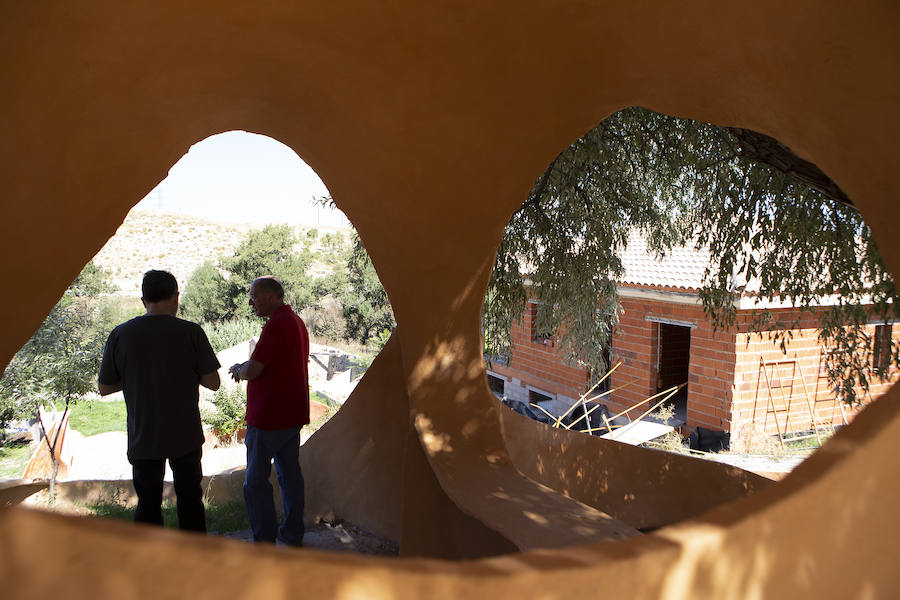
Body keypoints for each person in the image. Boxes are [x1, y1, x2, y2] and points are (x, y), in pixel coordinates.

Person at [98, 270, 220, 532]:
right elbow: (214, 383)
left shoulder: (121, 334)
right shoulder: (191, 332)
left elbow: (104, 387)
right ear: (176, 298)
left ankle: (151, 555)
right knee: (190, 500)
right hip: (185, 434)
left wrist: (135, 377)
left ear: (144, 301)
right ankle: (195, 554)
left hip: (143, 435)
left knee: (148, 504)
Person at [229, 276, 309, 546]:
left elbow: (254, 370)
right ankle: (293, 533)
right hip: (291, 414)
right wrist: (247, 366)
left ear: (272, 296)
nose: (251, 301)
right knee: (289, 476)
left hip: (269, 417)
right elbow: (272, 363)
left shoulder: (276, 325)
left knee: (255, 482)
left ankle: (264, 540)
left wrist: (240, 370)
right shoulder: (295, 321)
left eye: (255, 295)